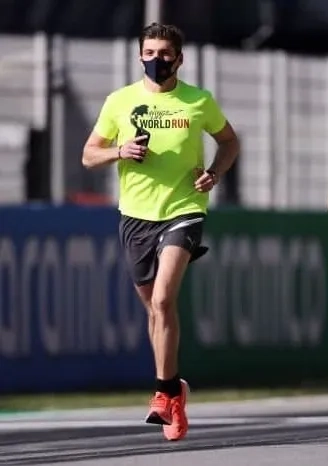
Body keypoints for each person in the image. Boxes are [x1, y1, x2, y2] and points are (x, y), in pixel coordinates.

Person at [82, 22, 240, 441]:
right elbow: (88, 155)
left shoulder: (198, 101)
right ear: (140, 56)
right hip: (135, 216)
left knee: (165, 299)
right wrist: (120, 150)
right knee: (154, 310)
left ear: (179, 58)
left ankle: (162, 393)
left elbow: (229, 142)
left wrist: (214, 173)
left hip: (184, 209)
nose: (157, 60)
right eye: (150, 52)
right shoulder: (120, 101)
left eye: (165, 53)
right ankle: (175, 392)